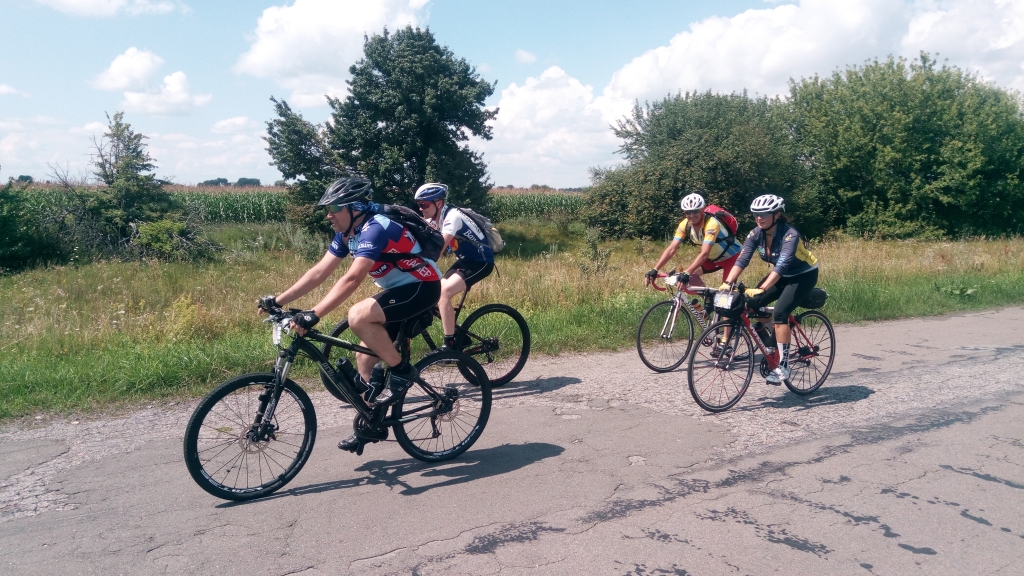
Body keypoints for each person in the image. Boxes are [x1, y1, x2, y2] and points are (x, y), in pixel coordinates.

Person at [257, 176, 442, 451]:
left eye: (334, 208)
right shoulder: (347, 233)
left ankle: (402, 371)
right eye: (328, 209)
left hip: (422, 287)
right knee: (364, 358)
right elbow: (319, 272)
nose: (329, 215)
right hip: (398, 291)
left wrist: (314, 314)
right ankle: (371, 424)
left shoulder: (376, 228)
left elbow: (353, 278)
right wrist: (277, 300)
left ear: (354, 208)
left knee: (358, 315)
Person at [722, 194, 819, 385]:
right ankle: (772, 342)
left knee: (781, 312)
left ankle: (783, 365)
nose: (759, 218)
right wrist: (728, 282)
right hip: (782, 275)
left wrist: (763, 288)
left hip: (803, 275)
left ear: (777, 214)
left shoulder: (789, 234)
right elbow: (742, 259)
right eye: (756, 214)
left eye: (764, 213)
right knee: (752, 303)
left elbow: (782, 265)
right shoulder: (755, 234)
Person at [414, 182, 495, 352]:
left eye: (424, 204)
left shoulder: (453, 217)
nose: (421, 208)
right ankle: (461, 337)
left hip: (481, 262)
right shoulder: (436, 217)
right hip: (465, 261)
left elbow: (437, 251)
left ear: (438, 203)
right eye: (419, 205)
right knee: (435, 294)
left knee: (444, 293)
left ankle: (449, 344)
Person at [644, 193, 742, 289]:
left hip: (732, 257)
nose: (691, 215)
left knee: (726, 292)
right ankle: (708, 298)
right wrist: (655, 269)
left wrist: (687, 272)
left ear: (702, 210)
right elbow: (671, 249)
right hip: (713, 259)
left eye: (695, 211)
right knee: (691, 278)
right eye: (688, 212)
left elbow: (705, 253)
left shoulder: (711, 224)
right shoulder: (684, 225)